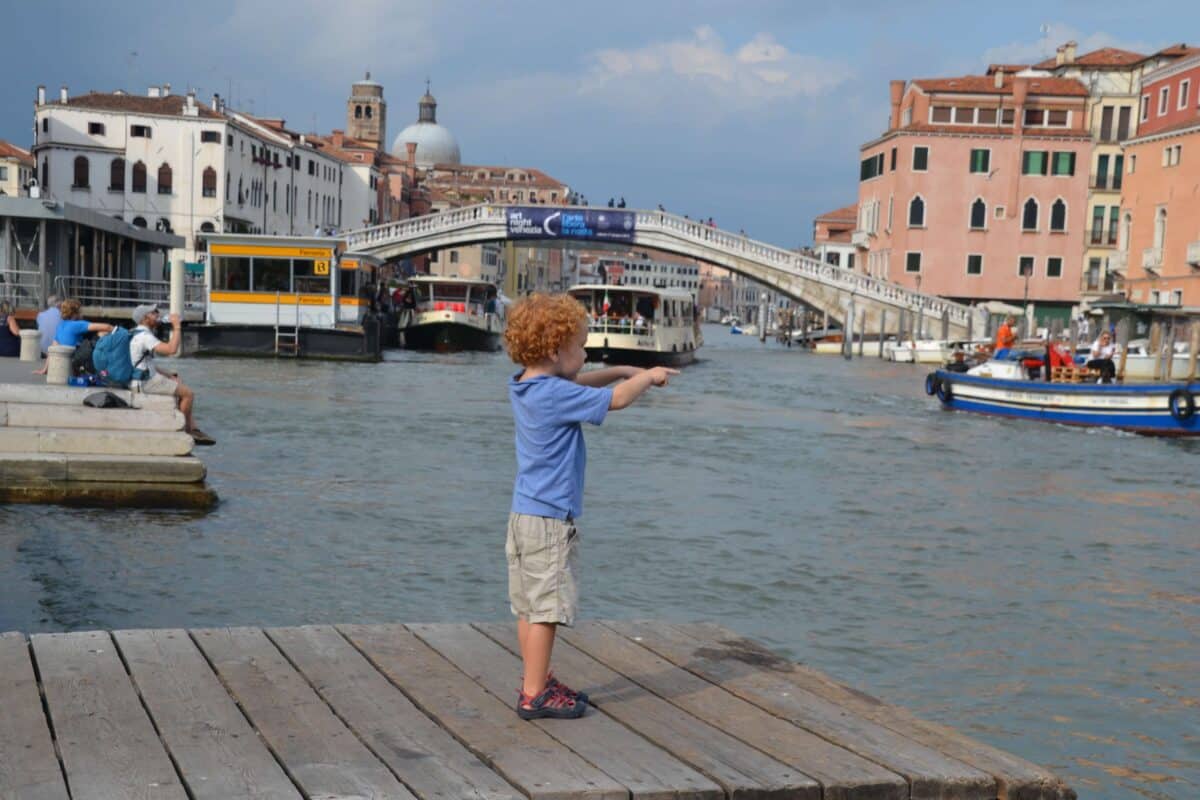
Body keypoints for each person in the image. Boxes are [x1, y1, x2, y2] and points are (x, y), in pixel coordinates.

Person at [503, 293, 677, 720]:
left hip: (523, 514)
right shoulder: (554, 395)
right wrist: (647, 377)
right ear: (554, 350)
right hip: (549, 518)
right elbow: (615, 401)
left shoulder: (527, 384)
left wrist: (619, 369)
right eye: (580, 347)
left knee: (528, 606)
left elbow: (579, 385)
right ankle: (534, 694)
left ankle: (536, 679)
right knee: (547, 610)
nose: (585, 353)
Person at [129, 304, 212, 444]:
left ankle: (193, 428)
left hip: (141, 377)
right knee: (188, 394)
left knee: (178, 382)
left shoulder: (135, 333)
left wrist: (168, 375)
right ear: (144, 318)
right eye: (153, 312)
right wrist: (177, 326)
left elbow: (146, 362)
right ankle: (185, 431)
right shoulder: (145, 336)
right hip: (145, 381)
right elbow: (171, 349)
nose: (157, 314)